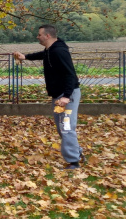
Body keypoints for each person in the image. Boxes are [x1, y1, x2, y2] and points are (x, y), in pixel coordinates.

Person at [13, 24, 85, 170]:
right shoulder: (50, 49)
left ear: (47, 36)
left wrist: (66, 96)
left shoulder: (59, 52)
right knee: (62, 127)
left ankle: (74, 162)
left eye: (39, 34)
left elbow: (70, 74)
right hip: (59, 95)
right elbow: (43, 54)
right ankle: (76, 153)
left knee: (66, 127)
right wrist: (25, 57)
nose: (37, 36)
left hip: (66, 95)